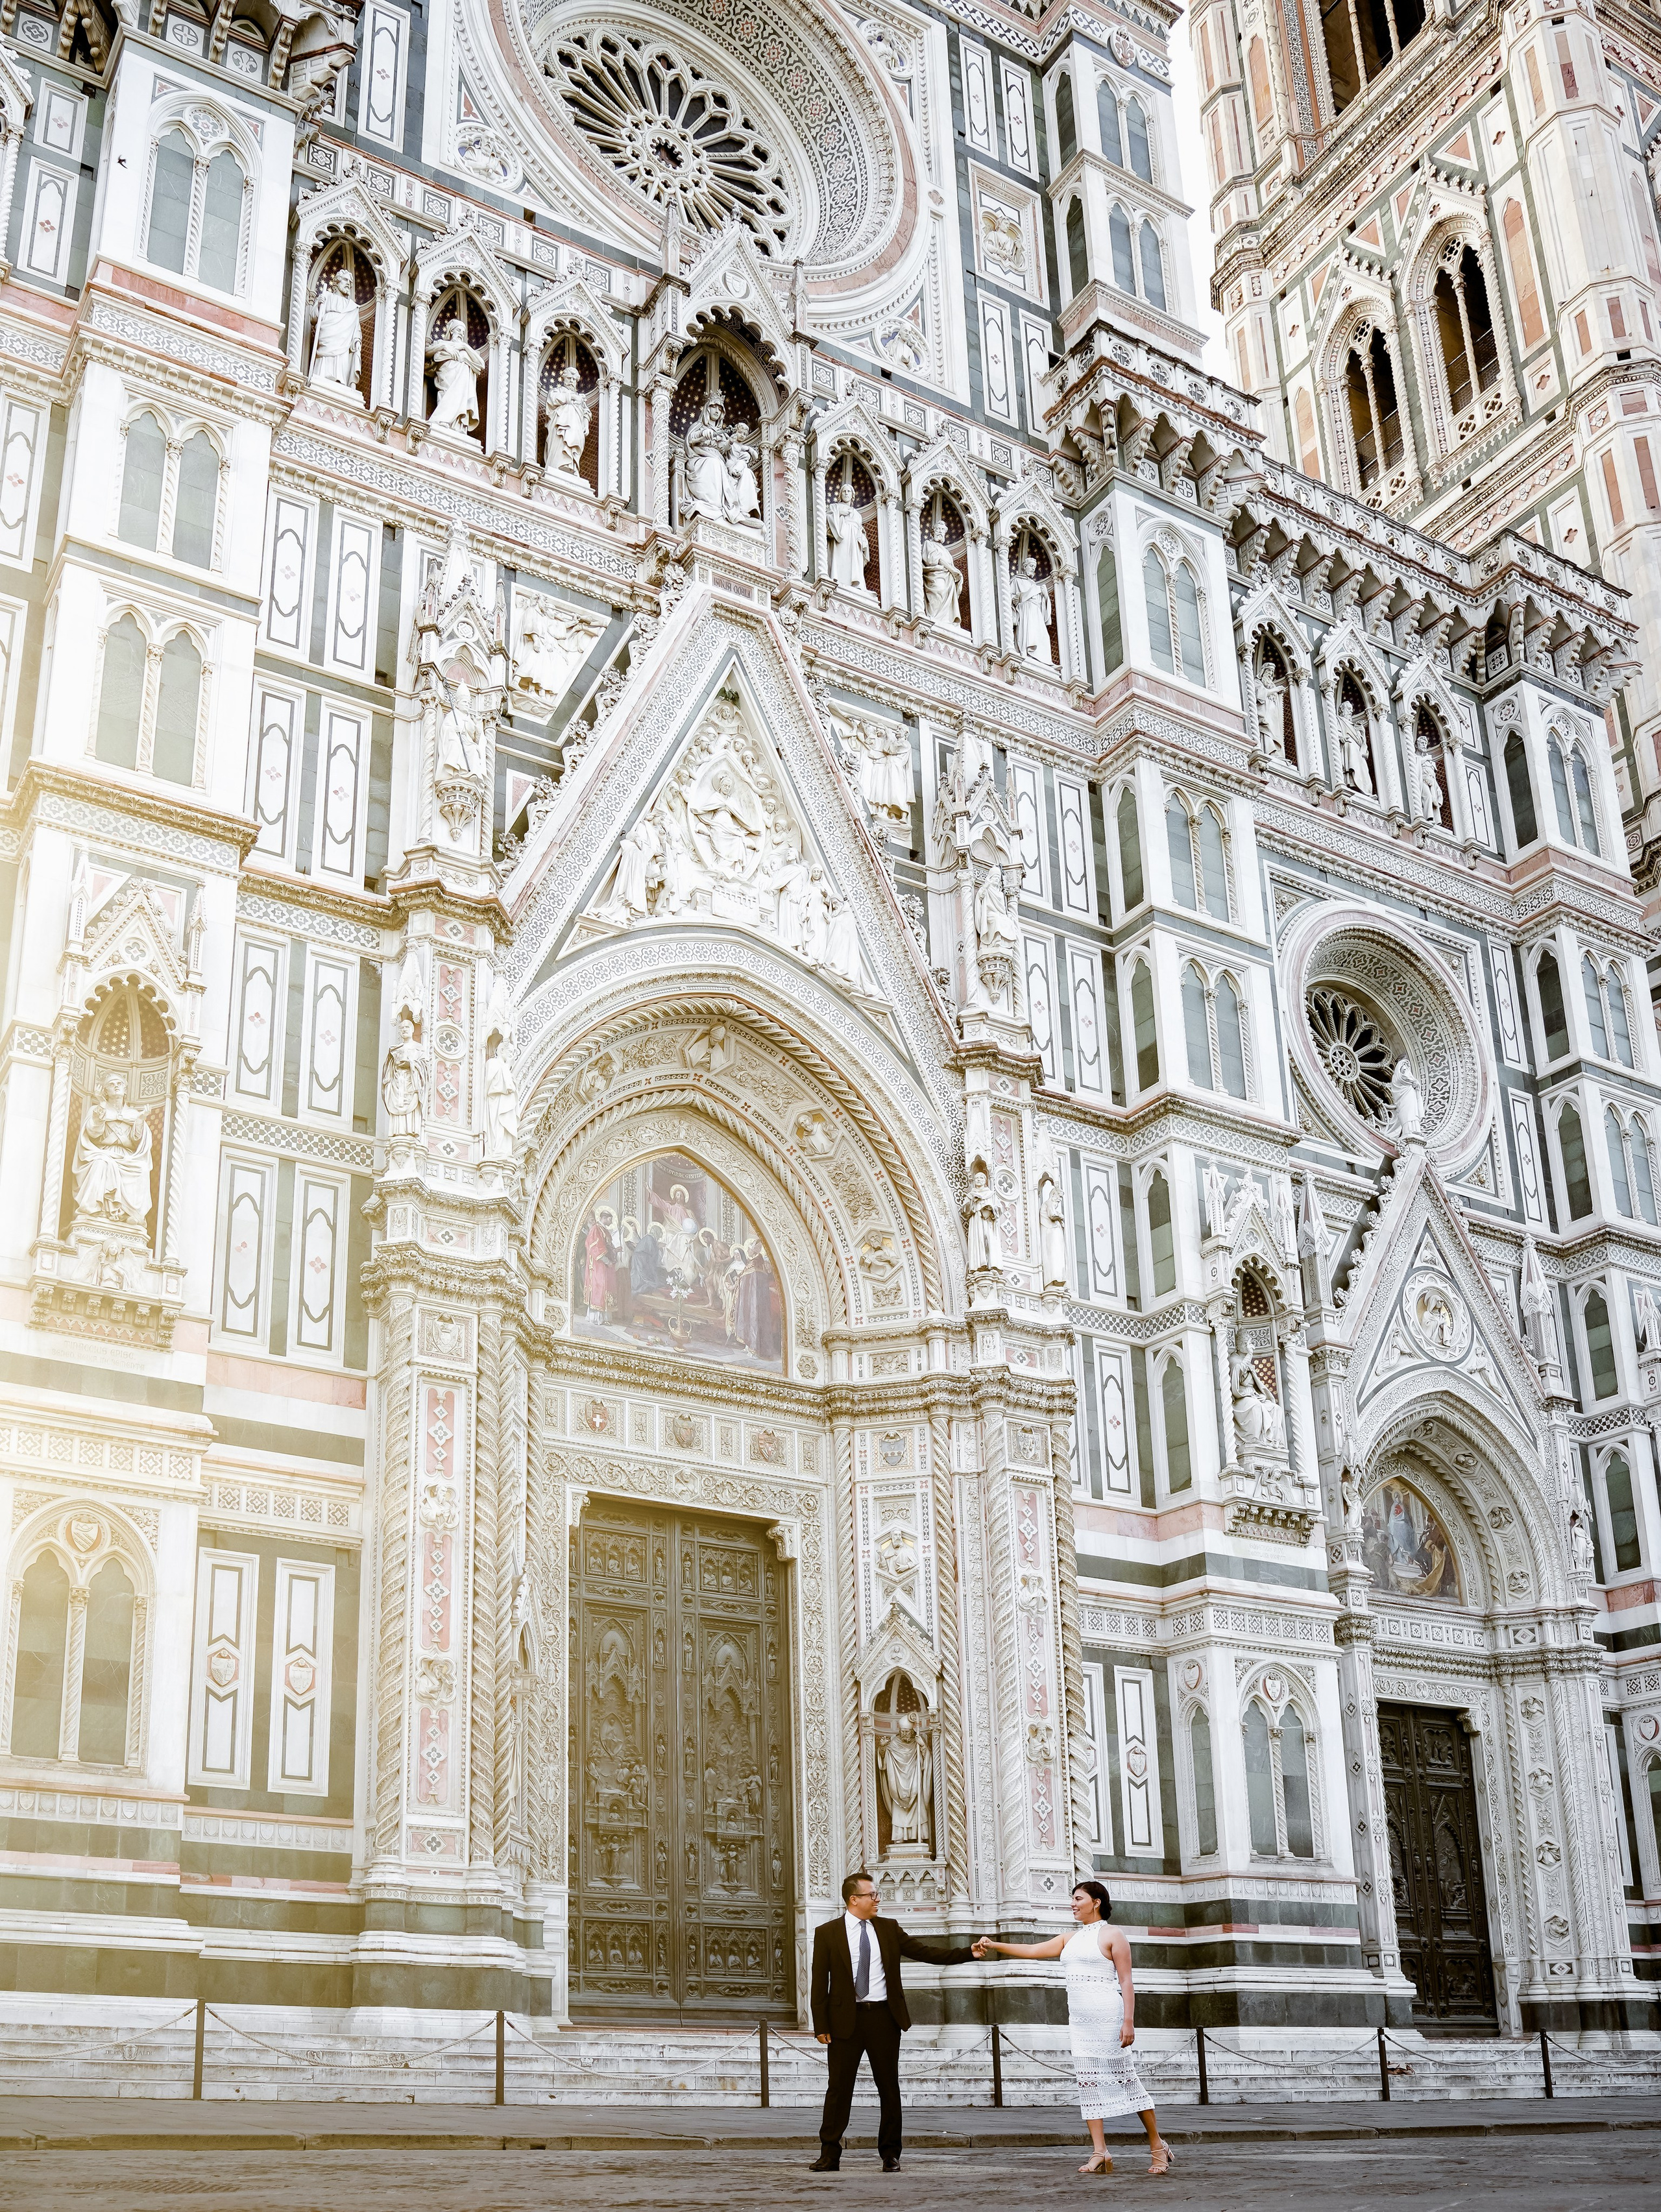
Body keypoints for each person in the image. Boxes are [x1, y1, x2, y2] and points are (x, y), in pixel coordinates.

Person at [978, 1879, 1173, 2177]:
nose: (1073, 1903)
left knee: (1127, 2081)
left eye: (1078, 1898)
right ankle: (1100, 2152)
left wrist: (1128, 2021)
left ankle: (1157, 2146)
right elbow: (1032, 1951)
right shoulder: (1069, 1938)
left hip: (1109, 2018)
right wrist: (993, 1945)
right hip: (1080, 2022)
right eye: (1072, 1899)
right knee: (1089, 2084)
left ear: (1096, 1902)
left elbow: (1126, 1981)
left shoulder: (1113, 1934)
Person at [808, 1871, 981, 2174]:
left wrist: (968, 1953)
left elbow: (926, 1953)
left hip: (884, 2019)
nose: (877, 1900)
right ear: (854, 1899)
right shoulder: (827, 1932)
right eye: (872, 1895)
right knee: (838, 2089)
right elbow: (819, 1981)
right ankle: (829, 2154)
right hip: (844, 2021)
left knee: (888, 2087)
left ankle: (890, 2154)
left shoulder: (888, 1928)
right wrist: (820, 2025)